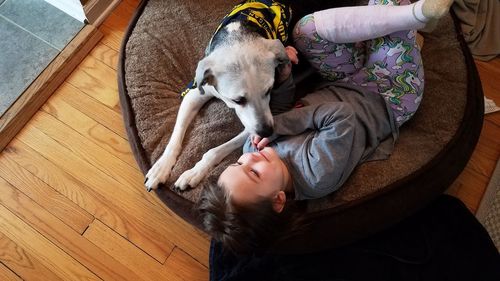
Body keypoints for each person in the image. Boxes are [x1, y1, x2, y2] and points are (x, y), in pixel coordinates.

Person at [197, 0, 455, 253]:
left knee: (305, 31)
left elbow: (279, 109)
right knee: (389, 6)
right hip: (389, 94)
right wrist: (279, 126)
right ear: (278, 199)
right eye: (254, 173)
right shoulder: (317, 173)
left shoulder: (252, 150)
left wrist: (285, 76)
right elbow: (340, 116)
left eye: (238, 163)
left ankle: (389, 33)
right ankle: (415, 17)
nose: (249, 159)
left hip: (343, 80)